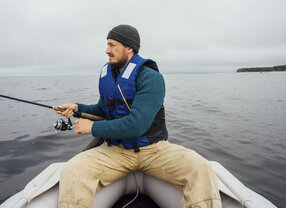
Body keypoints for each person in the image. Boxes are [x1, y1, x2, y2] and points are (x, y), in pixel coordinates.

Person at [55, 24, 221, 208]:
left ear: (129, 47)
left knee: (201, 168)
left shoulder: (151, 78)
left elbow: (137, 125)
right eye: (107, 45)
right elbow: (103, 110)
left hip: (153, 150)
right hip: (116, 151)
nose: (107, 51)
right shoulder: (108, 74)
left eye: (112, 45)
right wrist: (77, 108)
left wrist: (92, 127)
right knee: (73, 170)